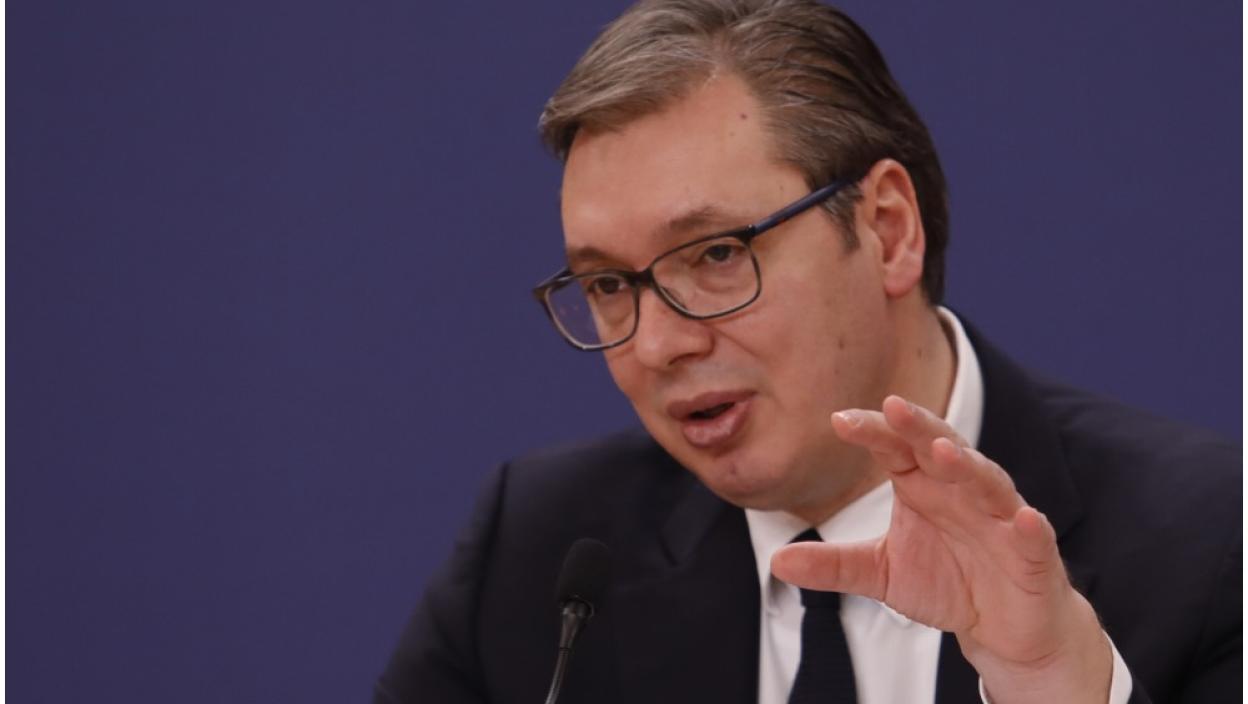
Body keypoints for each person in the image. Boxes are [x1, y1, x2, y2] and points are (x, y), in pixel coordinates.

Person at [375, 1, 1240, 702]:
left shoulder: (1211, 546)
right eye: (607, 284)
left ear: (887, 231)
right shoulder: (540, 556)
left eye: (716, 254)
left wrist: (1055, 688)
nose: (660, 344)